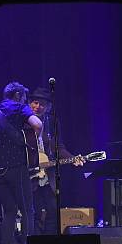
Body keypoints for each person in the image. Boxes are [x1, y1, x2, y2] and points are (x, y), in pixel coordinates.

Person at [0, 81, 43, 244]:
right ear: (18, 96)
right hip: (17, 167)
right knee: (27, 211)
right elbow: (37, 123)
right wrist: (37, 138)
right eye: (24, 97)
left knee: (8, 212)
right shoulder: (19, 107)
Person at [28, 87, 84, 235]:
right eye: (35, 103)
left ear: (48, 107)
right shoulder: (23, 121)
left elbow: (59, 147)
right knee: (33, 213)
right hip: (29, 175)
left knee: (53, 211)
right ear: (29, 103)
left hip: (48, 174)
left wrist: (72, 158)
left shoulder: (52, 123)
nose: (38, 107)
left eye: (42, 104)